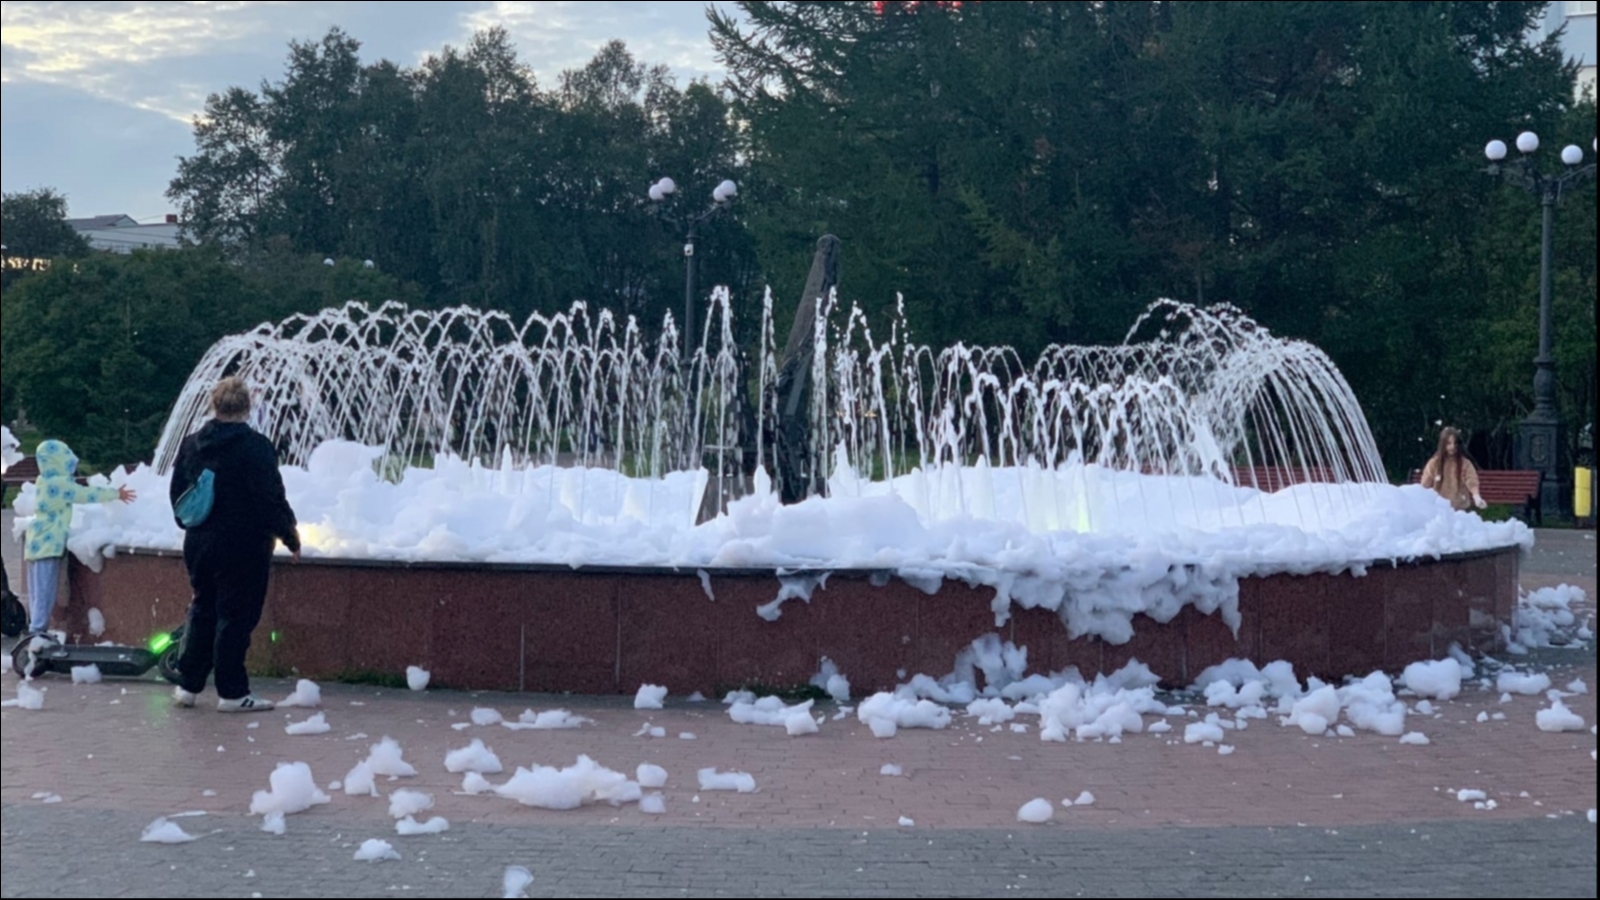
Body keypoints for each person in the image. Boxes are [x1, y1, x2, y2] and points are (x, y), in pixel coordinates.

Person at [168, 377, 300, 713]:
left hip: (199, 542)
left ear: (214, 405)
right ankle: (232, 692)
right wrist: (289, 535)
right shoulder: (255, 446)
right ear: (247, 406)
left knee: (203, 607)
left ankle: (188, 685)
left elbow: (178, 494)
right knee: (235, 615)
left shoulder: (192, 443)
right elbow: (270, 496)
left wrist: (190, 525)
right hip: (243, 544)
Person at [21, 439, 136, 636]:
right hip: (49, 543)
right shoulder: (58, 484)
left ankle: (35, 628)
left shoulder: (44, 480)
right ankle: (37, 631)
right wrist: (115, 494)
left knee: (37, 588)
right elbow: (84, 494)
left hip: (36, 541)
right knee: (45, 590)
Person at [1420, 426, 1486, 512]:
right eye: (1448, 443)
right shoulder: (1434, 463)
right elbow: (1425, 484)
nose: (1452, 447)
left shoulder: (1465, 463)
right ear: (1442, 444)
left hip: (1460, 509)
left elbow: (1471, 480)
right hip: (1438, 510)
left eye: (1455, 443)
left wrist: (1476, 496)